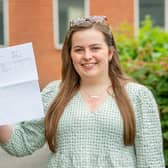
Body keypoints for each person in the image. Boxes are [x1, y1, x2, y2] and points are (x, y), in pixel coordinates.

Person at [0, 16, 165, 167]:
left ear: (110, 52)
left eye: (95, 48)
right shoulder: (53, 93)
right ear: (70, 54)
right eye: (79, 49)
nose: (87, 56)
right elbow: (21, 144)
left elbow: (151, 162)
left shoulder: (138, 96)